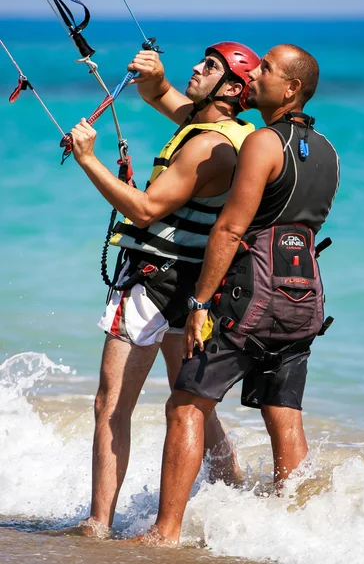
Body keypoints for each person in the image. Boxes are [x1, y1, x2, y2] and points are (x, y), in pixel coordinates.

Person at [128, 43, 340, 546]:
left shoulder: (263, 142)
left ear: (290, 89)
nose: (256, 74)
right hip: (304, 299)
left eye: (266, 69)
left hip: (251, 300)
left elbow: (229, 228)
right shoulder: (328, 150)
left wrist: (200, 304)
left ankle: (165, 532)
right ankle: (295, 533)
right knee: (284, 414)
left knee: (186, 405)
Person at [67, 42, 260, 537]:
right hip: (196, 288)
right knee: (192, 402)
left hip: (154, 283)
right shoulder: (235, 133)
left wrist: (88, 159)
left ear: (234, 89)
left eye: (210, 67)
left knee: (111, 404)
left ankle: (97, 523)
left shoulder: (202, 146)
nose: (198, 68)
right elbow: (162, 95)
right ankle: (232, 493)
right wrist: (155, 72)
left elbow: (145, 210)